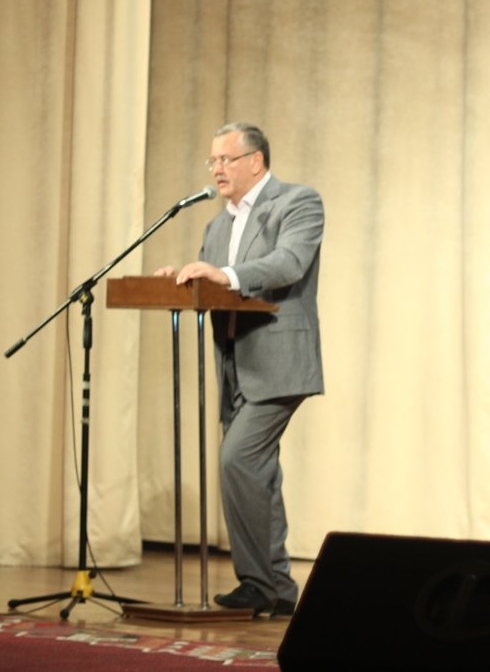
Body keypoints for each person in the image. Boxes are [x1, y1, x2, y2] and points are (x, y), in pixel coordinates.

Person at [155, 122, 324, 616]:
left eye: (225, 159)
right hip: (233, 364)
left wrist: (224, 274)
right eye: (212, 161)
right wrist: (181, 280)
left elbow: (288, 263)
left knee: (238, 460)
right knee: (258, 473)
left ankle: (258, 583)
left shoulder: (297, 202)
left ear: (256, 161)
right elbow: (213, 283)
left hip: (278, 362)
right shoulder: (217, 227)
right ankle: (277, 589)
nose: (216, 169)